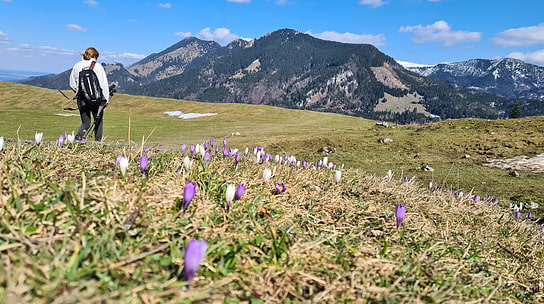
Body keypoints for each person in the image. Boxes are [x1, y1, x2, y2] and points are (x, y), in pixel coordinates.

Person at [70, 47, 110, 142]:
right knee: (98, 121)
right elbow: (103, 84)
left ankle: (77, 140)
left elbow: (72, 84)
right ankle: (97, 143)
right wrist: (106, 100)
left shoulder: (77, 66)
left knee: (85, 122)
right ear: (95, 56)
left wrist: (80, 93)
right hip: (96, 99)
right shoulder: (97, 66)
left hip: (82, 100)